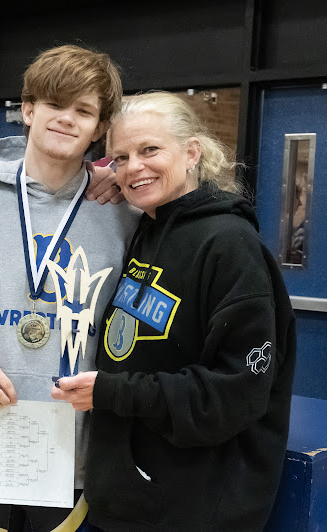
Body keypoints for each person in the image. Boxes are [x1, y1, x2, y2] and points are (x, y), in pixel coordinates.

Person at [52, 91, 296, 530]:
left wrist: (113, 392)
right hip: (129, 501)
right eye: (121, 157)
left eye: (150, 150)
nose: (134, 167)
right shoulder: (145, 228)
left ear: (191, 153)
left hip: (194, 511)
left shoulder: (230, 246)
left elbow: (234, 395)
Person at [0, 45, 140, 531]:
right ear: (27, 110)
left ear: (99, 128)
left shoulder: (124, 214)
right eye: (54, 104)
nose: (66, 119)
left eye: (83, 110)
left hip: (76, 446)